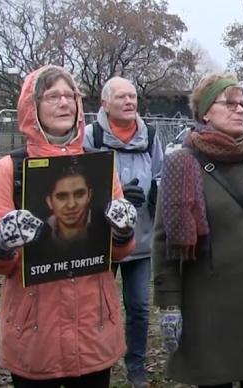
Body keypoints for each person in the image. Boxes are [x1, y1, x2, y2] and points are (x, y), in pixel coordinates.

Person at [0, 65, 137, 387]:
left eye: (70, 96)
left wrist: (123, 232)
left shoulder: (100, 166)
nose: (64, 103)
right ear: (32, 106)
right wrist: (1, 243)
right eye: (52, 96)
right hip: (35, 331)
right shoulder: (10, 169)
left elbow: (117, 253)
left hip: (93, 329)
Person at [152, 74, 243, 388]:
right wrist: (169, 303)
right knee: (214, 380)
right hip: (207, 297)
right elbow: (164, 240)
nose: (240, 110)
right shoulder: (182, 163)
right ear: (205, 112)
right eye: (229, 103)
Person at [84, 76, 164, 388]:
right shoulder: (91, 137)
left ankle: (136, 366)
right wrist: (114, 197)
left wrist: (155, 192)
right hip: (100, 241)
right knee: (97, 308)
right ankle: (95, 363)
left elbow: (160, 173)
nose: (129, 102)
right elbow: (80, 181)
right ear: (105, 103)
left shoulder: (151, 135)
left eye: (132, 96)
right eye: (121, 97)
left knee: (140, 306)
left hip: (141, 240)